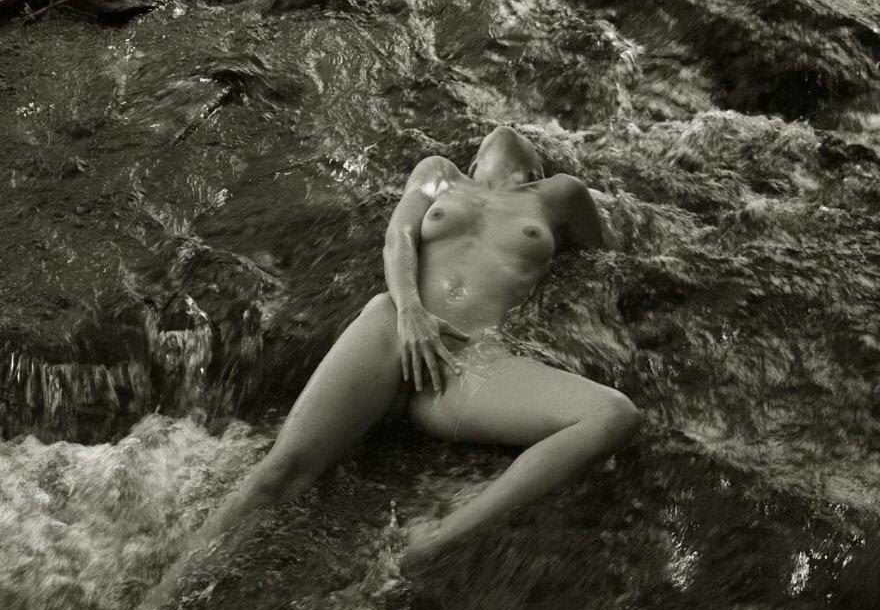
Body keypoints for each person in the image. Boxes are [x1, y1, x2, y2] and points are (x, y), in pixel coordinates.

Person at [191, 126, 641, 567]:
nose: (506, 129)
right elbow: (398, 236)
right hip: (395, 327)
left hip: (468, 359)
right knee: (278, 474)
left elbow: (610, 263)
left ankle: (438, 540)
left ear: (537, 169)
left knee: (613, 415)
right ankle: (159, 598)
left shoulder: (558, 193)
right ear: (472, 163)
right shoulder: (440, 171)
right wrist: (410, 310)